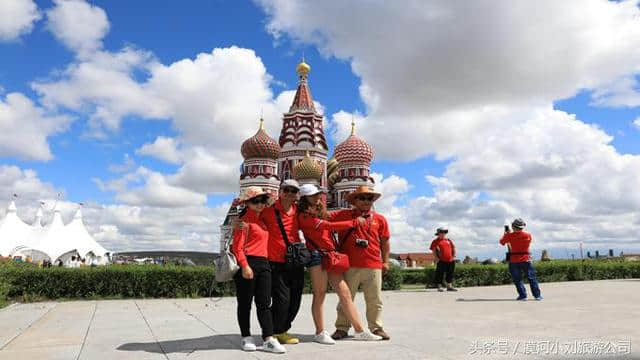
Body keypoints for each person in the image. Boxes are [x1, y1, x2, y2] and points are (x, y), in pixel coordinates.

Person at [297, 184, 382, 344]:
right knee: (320, 294)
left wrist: (352, 216)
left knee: (345, 294)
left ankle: (359, 330)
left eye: (319, 194)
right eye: (313, 195)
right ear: (304, 198)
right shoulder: (303, 216)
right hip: (317, 256)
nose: (318, 197)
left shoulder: (321, 212)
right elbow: (328, 226)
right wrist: (353, 222)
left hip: (331, 255)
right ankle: (320, 332)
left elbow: (334, 217)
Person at [329, 186, 392, 341]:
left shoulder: (380, 219)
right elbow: (322, 218)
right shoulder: (343, 215)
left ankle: (376, 328)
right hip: (349, 265)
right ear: (355, 200)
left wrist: (386, 261)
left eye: (369, 198)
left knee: (375, 299)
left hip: (373, 264)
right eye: (362, 198)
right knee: (346, 298)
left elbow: (385, 242)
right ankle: (342, 328)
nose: (366, 201)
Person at [231, 186, 286, 354]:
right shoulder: (243, 222)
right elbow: (237, 247)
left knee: (264, 304)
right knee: (245, 303)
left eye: (263, 200)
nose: (260, 204)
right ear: (247, 203)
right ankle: (246, 336)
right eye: (256, 201)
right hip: (248, 263)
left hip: (264, 264)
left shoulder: (262, 221)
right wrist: (245, 265)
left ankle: (268, 338)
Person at [258, 179, 305, 345]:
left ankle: (281, 329)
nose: (290, 193)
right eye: (287, 190)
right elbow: (251, 219)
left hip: (296, 261)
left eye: (294, 191)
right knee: (282, 301)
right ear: (280, 191)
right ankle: (273, 331)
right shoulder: (268, 210)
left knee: (295, 300)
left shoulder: (299, 211)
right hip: (276, 262)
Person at [500, 218, 542, 301]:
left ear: (513, 226)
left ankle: (523, 296)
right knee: (532, 278)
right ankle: (537, 296)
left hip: (514, 260)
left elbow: (502, 242)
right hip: (526, 259)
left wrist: (506, 234)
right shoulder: (528, 235)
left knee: (517, 279)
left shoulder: (509, 236)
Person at [430, 227, 457, 292]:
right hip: (441, 260)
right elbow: (433, 250)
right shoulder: (435, 241)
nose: (443, 234)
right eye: (441, 232)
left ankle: (449, 286)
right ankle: (439, 287)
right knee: (440, 273)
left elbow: (453, 248)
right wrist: (436, 258)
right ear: (438, 233)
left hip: (450, 260)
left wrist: (454, 256)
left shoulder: (448, 240)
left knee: (450, 273)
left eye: (444, 232)